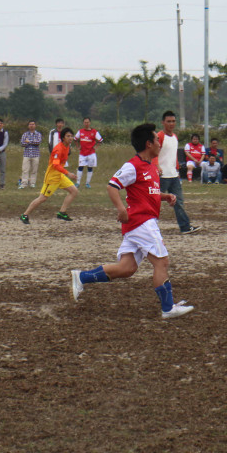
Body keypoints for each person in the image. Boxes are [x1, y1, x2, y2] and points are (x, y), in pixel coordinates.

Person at [70, 123, 194, 319]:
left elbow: (148, 192)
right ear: (148, 144)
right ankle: (168, 308)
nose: (159, 143)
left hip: (138, 224)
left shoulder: (151, 166)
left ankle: (82, 277)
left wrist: (165, 196)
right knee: (162, 262)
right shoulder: (133, 166)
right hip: (142, 222)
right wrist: (121, 209)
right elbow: (112, 186)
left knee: (126, 268)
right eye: (157, 140)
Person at [20, 127, 79, 224]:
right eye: (68, 136)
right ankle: (25, 215)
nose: (70, 138)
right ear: (63, 138)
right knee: (42, 198)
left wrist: (65, 173)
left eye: (71, 136)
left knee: (74, 191)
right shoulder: (58, 149)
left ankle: (62, 212)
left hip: (60, 175)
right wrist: (68, 173)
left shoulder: (67, 146)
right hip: (52, 177)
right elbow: (55, 165)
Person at [157, 111, 200, 234]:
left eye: (173, 121)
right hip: (162, 176)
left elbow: (173, 155)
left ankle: (185, 227)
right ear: (163, 122)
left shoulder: (175, 137)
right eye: (168, 121)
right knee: (154, 200)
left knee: (179, 201)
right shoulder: (160, 136)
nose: (171, 124)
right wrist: (157, 166)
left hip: (173, 175)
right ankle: (146, 225)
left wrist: (177, 169)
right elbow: (154, 153)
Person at [74, 117, 103, 188]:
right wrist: (78, 146)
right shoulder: (80, 131)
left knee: (90, 168)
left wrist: (96, 147)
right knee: (80, 167)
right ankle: (77, 183)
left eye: (87, 122)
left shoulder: (94, 132)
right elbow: (75, 139)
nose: (86, 124)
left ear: (90, 123)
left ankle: (87, 183)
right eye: (85, 122)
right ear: (83, 123)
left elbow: (100, 140)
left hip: (91, 153)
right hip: (82, 153)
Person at [19, 120, 42, 189]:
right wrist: (32, 142)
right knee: (25, 170)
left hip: (35, 154)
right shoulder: (25, 134)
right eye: (30, 124)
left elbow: (38, 142)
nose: (31, 125)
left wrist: (28, 141)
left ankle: (32, 183)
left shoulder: (38, 134)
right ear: (28, 126)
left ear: (35, 125)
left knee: (34, 170)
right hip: (27, 154)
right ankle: (24, 184)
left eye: (33, 124)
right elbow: (22, 143)